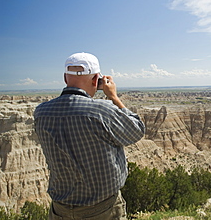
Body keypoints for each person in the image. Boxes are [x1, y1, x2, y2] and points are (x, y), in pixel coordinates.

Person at [34, 52, 145, 219]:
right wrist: (113, 96)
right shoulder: (101, 110)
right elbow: (136, 130)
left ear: (65, 78)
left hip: (60, 209)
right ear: (95, 80)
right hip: (102, 210)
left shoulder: (41, 112)